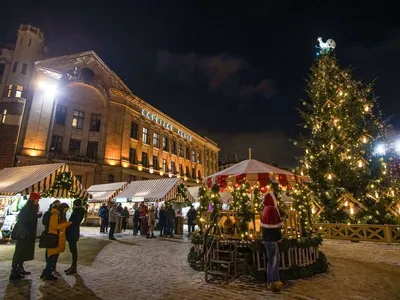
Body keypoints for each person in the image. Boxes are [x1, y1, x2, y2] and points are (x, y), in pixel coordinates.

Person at [9, 192, 42, 280]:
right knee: (19, 252)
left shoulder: (31, 208)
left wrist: (36, 215)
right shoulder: (27, 208)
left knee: (23, 252)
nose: (38, 201)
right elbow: (24, 219)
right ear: (33, 199)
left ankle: (20, 268)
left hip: (28, 235)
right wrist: (36, 215)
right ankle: (14, 272)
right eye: (37, 199)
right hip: (24, 235)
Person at [41, 203, 72, 281]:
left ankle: (46, 273)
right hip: (54, 238)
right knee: (51, 258)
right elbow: (54, 226)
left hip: (57, 238)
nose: (65, 212)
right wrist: (66, 224)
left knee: (52, 257)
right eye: (65, 210)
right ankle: (48, 274)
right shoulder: (55, 215)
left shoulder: (58, 215)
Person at [260, 192, 283, 293]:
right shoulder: (272, 209)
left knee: (275, 258)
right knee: (272, 261)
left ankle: (276, 279)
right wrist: (278, 237)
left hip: (267, 238)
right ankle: (271, 281)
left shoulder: (265, 208)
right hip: (271, 239)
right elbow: (275, 225)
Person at [65, 199, 86, 275]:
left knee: (73, 251)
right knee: (73, 250)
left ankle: (74, 267)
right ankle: (72, 266)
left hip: (72, 233)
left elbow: (72, 222)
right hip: (73, 232)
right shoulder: (79, 211)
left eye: (73, 204)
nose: (73, 206)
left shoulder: (77, 212)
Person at [42, 200, 61, 269]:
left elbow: (43, 222)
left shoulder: (48, 213)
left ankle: (49, 265)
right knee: (53, 250)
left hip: (48, 232)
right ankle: (50, 266)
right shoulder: (55, 214)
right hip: (53, 233)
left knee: (49, 250)